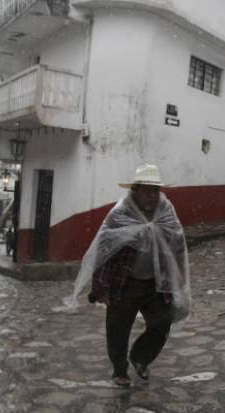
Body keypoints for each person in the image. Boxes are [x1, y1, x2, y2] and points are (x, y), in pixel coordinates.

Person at [66, 164, 191, 388]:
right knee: (117, 328)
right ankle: (119, 370)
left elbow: (177, 244)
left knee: (162, 322)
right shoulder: (120, 213)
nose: (152, 195)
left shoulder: (166, 211)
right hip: (124, 282)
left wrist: (179, 278)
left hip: (156, 282)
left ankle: (140, 357)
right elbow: (103, 249)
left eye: (155, 190)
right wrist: (100, 288)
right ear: (135, 189)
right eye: (146, 190)